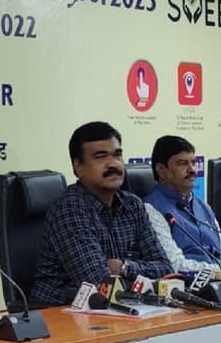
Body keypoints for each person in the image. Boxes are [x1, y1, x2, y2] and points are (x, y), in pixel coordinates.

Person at [30, 121, 172, 306]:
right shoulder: (70, 207)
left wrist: (124, 267)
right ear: (78, 167)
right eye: (100, 157)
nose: (113, 163)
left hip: (119, 308)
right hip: (59, 312)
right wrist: (141, 277)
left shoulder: (133, 205)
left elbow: (165, 268)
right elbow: (100, 282)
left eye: (117, 155)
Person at [143, 135, 221, 275]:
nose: (192, 169)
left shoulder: (203, 207)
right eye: (182, 163)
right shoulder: (151, 209)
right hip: (188, 285)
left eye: (193, 163)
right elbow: (175, 265)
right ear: (161, 170)